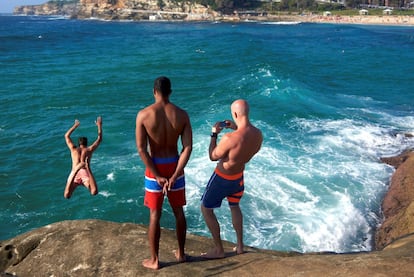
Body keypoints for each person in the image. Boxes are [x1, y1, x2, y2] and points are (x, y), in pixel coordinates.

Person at [135, 76, 192, 270]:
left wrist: (157, 175)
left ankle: (155, 260)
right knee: (178, 212)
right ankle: (181, 254)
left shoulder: (144, 115)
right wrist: (175, 174)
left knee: (154, 215)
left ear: (154, 91)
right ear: (170, 92)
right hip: (175, 164)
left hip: (155, 168)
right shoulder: (182, 115)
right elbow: (187, 147)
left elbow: (142, 149)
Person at [201, 99, 263, 259]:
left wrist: (214, 134)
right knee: (234, 206)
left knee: (206, 209)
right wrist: (235, 127)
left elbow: (213, 156)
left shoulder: (229, 138)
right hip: (238, 179)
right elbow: (243, 141)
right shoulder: (258, 134)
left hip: (222, 179)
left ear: (235, 114)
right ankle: (240, 246)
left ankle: (219, 250)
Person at [64, 117, 102, 199]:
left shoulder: (73, 149)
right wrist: (99, 125)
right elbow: (99, 139)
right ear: (86, 143)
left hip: (76, 173)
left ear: (78, 143)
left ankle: (75, 171)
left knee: (67, 195)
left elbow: (66, 136)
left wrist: (75, 125)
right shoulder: (89, 149)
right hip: (85, 172)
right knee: (94, 192)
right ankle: (88, 167)